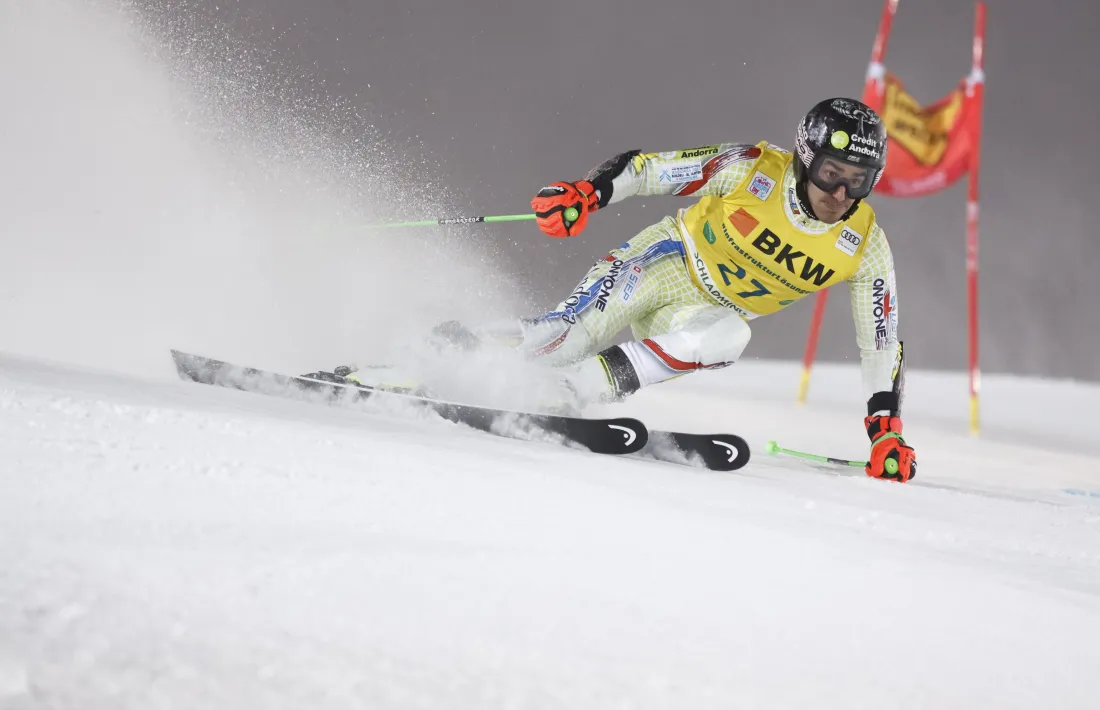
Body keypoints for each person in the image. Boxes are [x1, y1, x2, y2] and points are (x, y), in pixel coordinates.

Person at [405, 97, 915, 482]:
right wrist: (590, 193)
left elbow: (881, 342)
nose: (840, 194)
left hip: (700, 316)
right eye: (831, 174)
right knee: (563, 338)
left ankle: (568, 392)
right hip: (664, 261)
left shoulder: (864, 243)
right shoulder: (754, 167)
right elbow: (652, 170)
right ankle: (441, 352)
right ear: (806, 159)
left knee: (730, 337)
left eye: (859, 180)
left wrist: (885, 432)